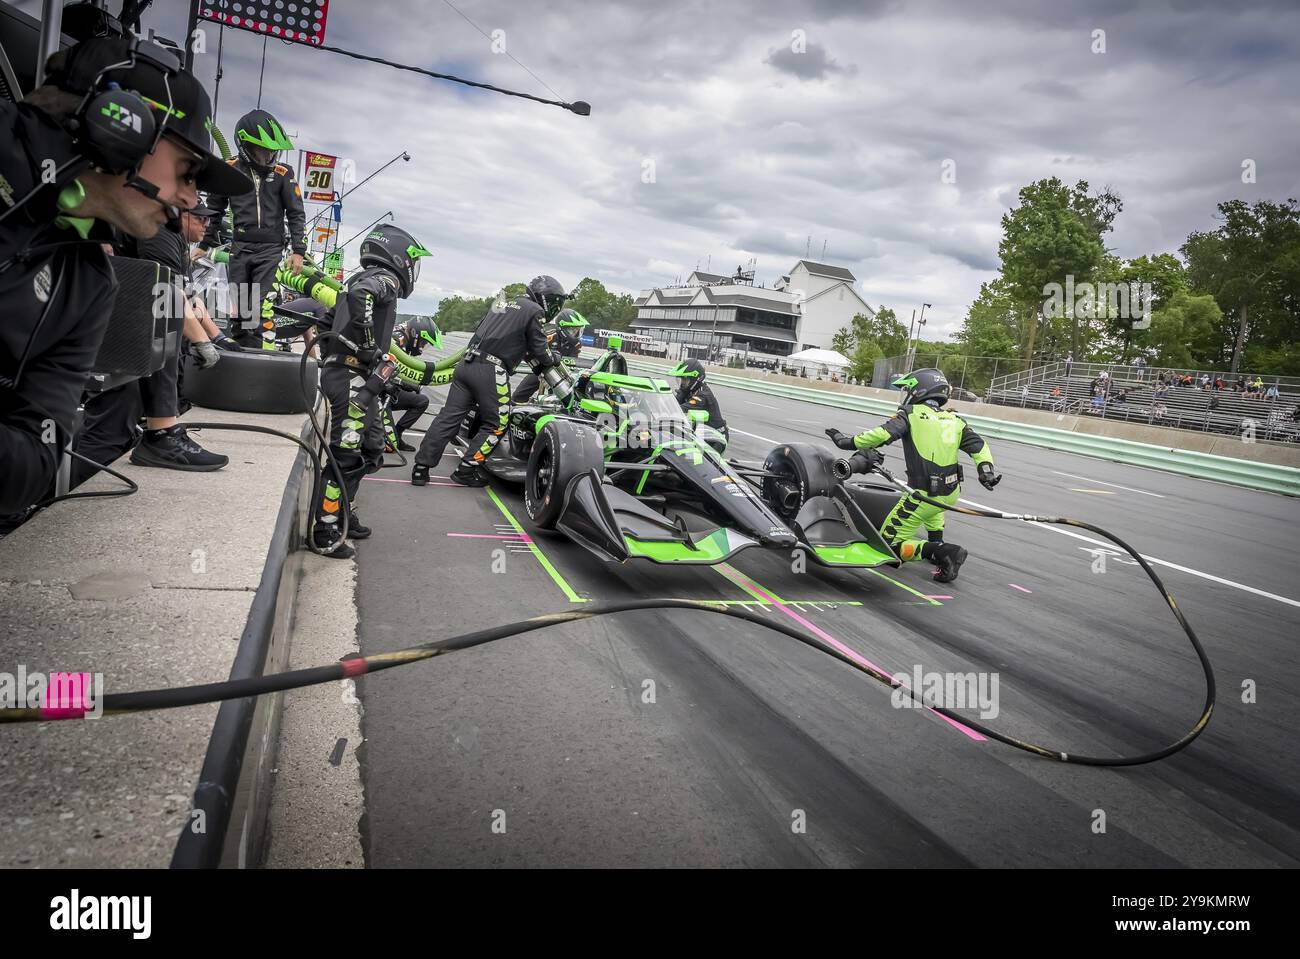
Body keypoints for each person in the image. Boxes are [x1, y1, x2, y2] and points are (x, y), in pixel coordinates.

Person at [1, 35, 250, 517]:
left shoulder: (91, 284)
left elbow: (33, 461)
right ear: (124, 125)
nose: (190, 200)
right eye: (187, 171)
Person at [73, 200, 237, 479]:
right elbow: (168, 295)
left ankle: (159, 434)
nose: (207, 224)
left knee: (116, 429)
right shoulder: (161, 230)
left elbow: (190, 299)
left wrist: (218, 337)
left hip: (131, 341)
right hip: (119, 340)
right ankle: (56, 507)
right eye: (201, 218)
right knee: (108, 433)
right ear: (183, 215)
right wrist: (202, 342)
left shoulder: (175, 242)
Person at [312, 224, 433, 557]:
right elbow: (360, 296)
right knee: (345, 457)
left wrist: (337, 358)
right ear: (399, 255)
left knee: (371, 450)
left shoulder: (359, 278)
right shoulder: (385, 279)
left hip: (356, 379)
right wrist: (365, 351)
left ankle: (342, 513)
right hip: (353, 381)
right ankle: (325, 530)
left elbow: (326, 321)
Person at [826, 368, 998, 584]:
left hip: (924, 494)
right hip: (951, 493)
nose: (906, 394)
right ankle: (938, 542)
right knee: (935, 508)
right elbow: (979, 447)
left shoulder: (911, 414)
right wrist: (986, 471)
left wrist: (847, 442)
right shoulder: (955, 420)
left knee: (888, 545)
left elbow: (882, 434)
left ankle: (943, 553)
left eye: (908, 389)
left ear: (919, 390)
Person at [412, 277, 567, 487]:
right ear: (547, 298)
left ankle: (420, 468)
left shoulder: (502, 303)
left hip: (466, 364)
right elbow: (542, 352)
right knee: (498, 423)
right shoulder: (534, 311)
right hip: (491, 369)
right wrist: (555, 357)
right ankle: (467, 469)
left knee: (448, 418)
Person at [197, 109, 306, 346]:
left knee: (255, 306)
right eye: (262, 151)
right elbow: (214, 210)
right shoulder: (230, 169)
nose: (268, 156)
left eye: (271, 151)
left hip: (270, 249)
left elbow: (296, 212)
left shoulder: (284, 173)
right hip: (240, 247)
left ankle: (256, 354)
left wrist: (299, 251)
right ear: (245, 146)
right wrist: (204, 245)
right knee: (239, 310)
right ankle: (240, 351)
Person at [383, 316, 442, 451]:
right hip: (378, 393)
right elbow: (384, 369)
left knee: (421, 401)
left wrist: (406, 384)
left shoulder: (404, 339)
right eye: (423, 343)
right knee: (390, 446)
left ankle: (397, 434)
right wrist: (403, 383)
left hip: (388, 391)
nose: (422, 348)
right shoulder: (397, 340)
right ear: (416, 335)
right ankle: (377, 436)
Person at [511, 308, 588, 403]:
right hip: (541, 367)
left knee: (566, 395)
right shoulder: (549, 334)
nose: (576, 333)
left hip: (562, 372)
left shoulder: (577, 344)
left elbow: (573, 361)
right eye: (573, 330)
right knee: (519, 394)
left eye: (578, 330)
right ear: (563, 328)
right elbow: (533, 349)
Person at [671, 358, 728, 440]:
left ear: (695, 379)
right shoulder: (690, 390)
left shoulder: (702, 395)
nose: (682, 383)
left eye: (685, 379)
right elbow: (672, 405)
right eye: (682, 379)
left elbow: (678, 410)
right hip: (702, 432)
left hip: (716, 436)